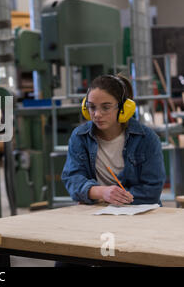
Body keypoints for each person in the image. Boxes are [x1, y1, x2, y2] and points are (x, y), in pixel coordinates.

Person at [62, 74, 165, 207]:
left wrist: (111, 198)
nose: (97, 114)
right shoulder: (80, 136)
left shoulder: (146, 139)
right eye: (92, 107)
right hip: (96, 211)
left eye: (106, 107)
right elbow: (72, 178)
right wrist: (102, 192)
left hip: (139, 212)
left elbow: (152, 191)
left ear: (123, 109)